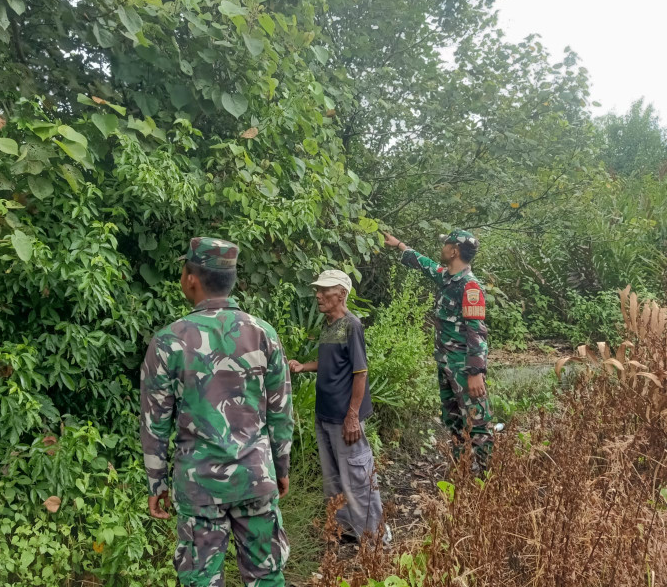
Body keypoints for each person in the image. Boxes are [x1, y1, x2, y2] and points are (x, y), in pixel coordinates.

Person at [140, 237, 293, 587]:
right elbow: (281, 410)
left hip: (199, 486)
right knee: (267, 576)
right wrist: (280, 466)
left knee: (200, 580)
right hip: (256, 476)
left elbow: (154, 423)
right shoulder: (263, 334)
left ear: (191, 279)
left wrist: (156, 482)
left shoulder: (169, 341)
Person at [288, 269, 387, 543]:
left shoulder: (351, 325)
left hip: (345, 417)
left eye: (324, 290)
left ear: (342, 294)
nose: (318, 295)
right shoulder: (328, 325)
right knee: (333, 477)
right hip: (325, 414)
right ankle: (345, 529)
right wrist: (303, 367)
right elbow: (333, 363)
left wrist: (352, 415)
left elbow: (360, 372)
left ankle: (375, 537)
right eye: (317, 290)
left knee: (357, 475)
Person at [382, 229, 493, 470]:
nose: (442, 248)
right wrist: (399, 244)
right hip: (446, 364)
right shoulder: (447, 277)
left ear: (454, 251)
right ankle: (460, 471)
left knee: (478, 425)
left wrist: (475, 373)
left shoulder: (470, 287)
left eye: (446, 244)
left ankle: (485, 484)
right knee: (453, 421)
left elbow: (477, 333)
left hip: (465, 368)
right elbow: (426, 264)